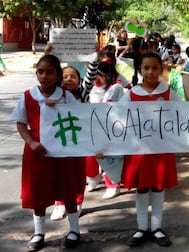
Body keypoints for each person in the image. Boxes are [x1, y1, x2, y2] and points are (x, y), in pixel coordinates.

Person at [11, 55, 83, 250]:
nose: (44, 76)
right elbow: (20, 122)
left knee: (67, 190)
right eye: (40, 72)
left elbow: (81, 118)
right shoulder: (28, 96)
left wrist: (61, 107)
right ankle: (39, 232)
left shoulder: (67, 97)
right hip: (38, 153)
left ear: (58, 74)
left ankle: (74, 230)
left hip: (63, 153)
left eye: (50, 72)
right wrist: (31, 142)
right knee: (38, 193)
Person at [120, 52, 181, 247]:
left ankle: (156, 227)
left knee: (157, 186)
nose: (150, 72)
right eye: (146, 68)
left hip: (161, 151)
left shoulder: (169, 94)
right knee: (142, 187)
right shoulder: (130, 94)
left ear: (161, 70)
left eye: (155, 68)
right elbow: (114, 119)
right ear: (140, 70)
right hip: (138, 151)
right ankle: (141, 228)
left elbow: (185, 115)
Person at [50, 57, 99, 221]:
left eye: (73, 76)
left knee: (78, 173)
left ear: (79, 80)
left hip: (80, 140)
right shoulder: (55, 93)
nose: (69, 79)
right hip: (60, 140)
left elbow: (91, 72)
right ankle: (59, 203)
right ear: (59, 79)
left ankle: (78, 201)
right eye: (65, 76)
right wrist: (50, 52)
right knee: (58, 173)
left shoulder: (82, 93)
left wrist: (94, 56)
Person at [87, 61, 125, 199]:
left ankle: (113, 185)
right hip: (94, 124)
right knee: (92, 155)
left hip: (110, 125)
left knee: (109, 156)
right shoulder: (91, 87)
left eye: (99, 76)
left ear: (106, 75)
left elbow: (107, 106)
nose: (96, 79)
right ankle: (94, 176)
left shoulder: (115, 87)